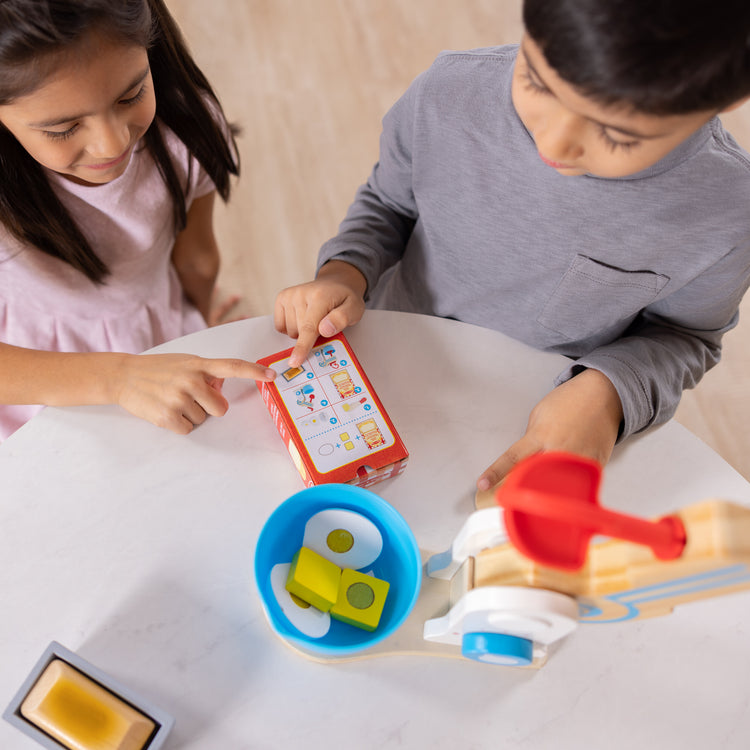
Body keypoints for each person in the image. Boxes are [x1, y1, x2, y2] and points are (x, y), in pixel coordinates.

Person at [274, 0, 750, 492]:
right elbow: (388, 204)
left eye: (616, 135)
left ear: (727, 97)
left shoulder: (728, 212)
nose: (554, 144)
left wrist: (609, 393)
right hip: (394, 356)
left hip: (538, 422)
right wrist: (342, 274)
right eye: (537, 83)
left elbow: (686, 336)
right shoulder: (448, 94)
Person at [0, 0, 275, 442]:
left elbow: (198, 263)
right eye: (63, 129)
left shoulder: (187, 130)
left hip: (157, 338)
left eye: (131, 95)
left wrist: (194, 325)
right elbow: (199, 263)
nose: (112, 143)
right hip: (31, 374)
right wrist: (119, 375)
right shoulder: (188, 126)